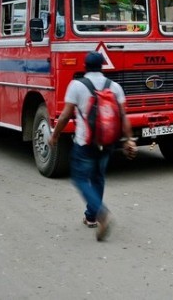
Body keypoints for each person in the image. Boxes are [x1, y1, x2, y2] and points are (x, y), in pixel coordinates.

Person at [49, 52, 135, 241]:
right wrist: (129, 140)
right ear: (103, 66)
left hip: (85, 141)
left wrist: (54, 136)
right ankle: (91, 216)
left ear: (85, 66)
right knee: (98, 177)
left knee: (80, 178)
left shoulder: (77, 85)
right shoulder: (115, 87)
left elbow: (64, 116)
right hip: (108, 141)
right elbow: (123, 117)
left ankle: (101, 213)